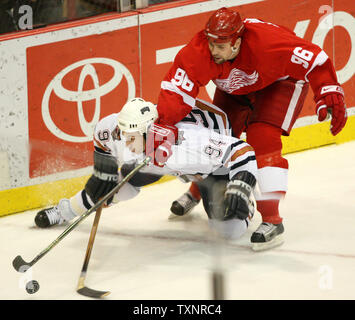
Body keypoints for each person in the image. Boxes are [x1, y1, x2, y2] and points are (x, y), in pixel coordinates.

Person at [156, 7, 348, 251]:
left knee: (262, 140)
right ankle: (199, 190)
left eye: (221, 45)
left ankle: (272, 220)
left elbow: (315, 58)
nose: (214, 51)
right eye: (211, 43)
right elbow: (176, 91)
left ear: (237, 42)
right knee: (216, 138)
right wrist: (164, 124)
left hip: (281, 83)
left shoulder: (267, 43)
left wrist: (328, 89)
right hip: (235, 89)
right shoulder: (201, 50)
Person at [34, 97, 258, 241]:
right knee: (112, 187)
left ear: (149, 132)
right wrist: (104, 166)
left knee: (229, 231)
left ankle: (244, 204)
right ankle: (63, 211)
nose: (125, 143)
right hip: (160, 157)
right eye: (124, 136)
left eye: (131, 138)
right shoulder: (125, 129)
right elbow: (102, 134)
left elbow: (243, 151)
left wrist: (241, 186)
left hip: (208, 167)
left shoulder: (189, 142)